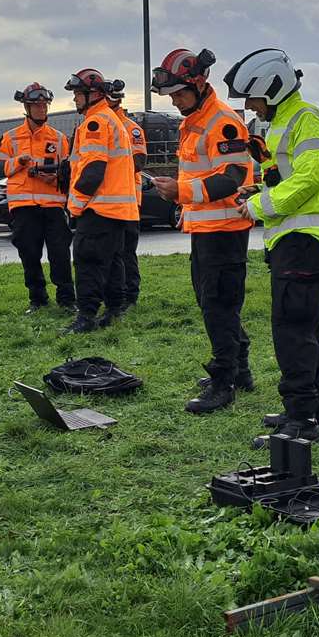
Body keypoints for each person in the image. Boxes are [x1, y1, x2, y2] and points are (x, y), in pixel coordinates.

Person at [223, 47, 319, 444]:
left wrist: (257, 205)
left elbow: (312, 176)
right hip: (294, 240)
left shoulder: (306, 119)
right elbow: (290, 177)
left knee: (292, 330)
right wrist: (261, 187)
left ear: (271, 88)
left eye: (252, 98)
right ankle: (312, 410)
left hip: (303, 241)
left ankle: (301, 419)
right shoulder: (284, 123)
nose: (250, 106)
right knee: (305, 328)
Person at [148, 48, 255, 414]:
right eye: (172, 95)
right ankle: (239, 371)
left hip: (225, 229)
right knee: (215, 304)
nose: (175, 101)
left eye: (180, 94)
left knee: (218, 306)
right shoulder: (195, 120)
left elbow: (232, 178)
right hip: (209, 229)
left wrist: (181, 192)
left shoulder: (222, 122)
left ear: (199, 83)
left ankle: (224, 383)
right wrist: (182, 201)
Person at [59, 68, 138, 333]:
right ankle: (114, 310)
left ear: (93, 94)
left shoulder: (95, 122)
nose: (74, 100)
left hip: (98, 206)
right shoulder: (110, 118)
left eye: (78, 94)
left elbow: (93, 172)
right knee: (114, 260)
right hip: (117, 209)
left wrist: (75, 205)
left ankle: (86, 317)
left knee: (87, 261)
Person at [0, 82, 74, 312]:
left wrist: (54, 178)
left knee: (60, 254)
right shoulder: (10, 137)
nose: (42, 110)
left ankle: (67, 300)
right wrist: (18, 162)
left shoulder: (59, 138)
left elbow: (69, 172)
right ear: (27, 107)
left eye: (45, 105)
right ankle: (37, 300)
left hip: (53, 206)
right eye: (37, 106)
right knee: (29, 254)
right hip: (23, 206)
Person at [105, 81, 147, 314]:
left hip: (129, 200)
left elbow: (139, 163)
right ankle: (113, 293)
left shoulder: (131, 129)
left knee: (126, 251)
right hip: (105, 202)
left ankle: (130, 295)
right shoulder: (96, 125)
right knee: (109, 252)